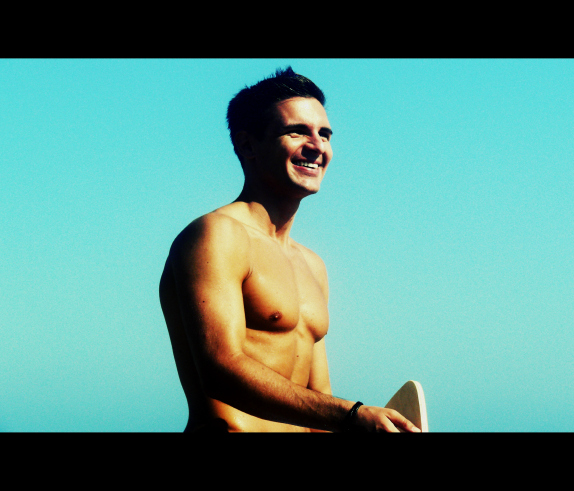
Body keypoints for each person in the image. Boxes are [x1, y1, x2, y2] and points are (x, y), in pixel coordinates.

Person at [159, 67, 420, 433]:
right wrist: (352, 414)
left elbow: (318, 397)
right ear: (248, 145)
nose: (317, 146)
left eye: (324, 134)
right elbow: (220, 369)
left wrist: (352, 423)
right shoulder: (216, 236)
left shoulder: (312, 265)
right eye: (297, 131)